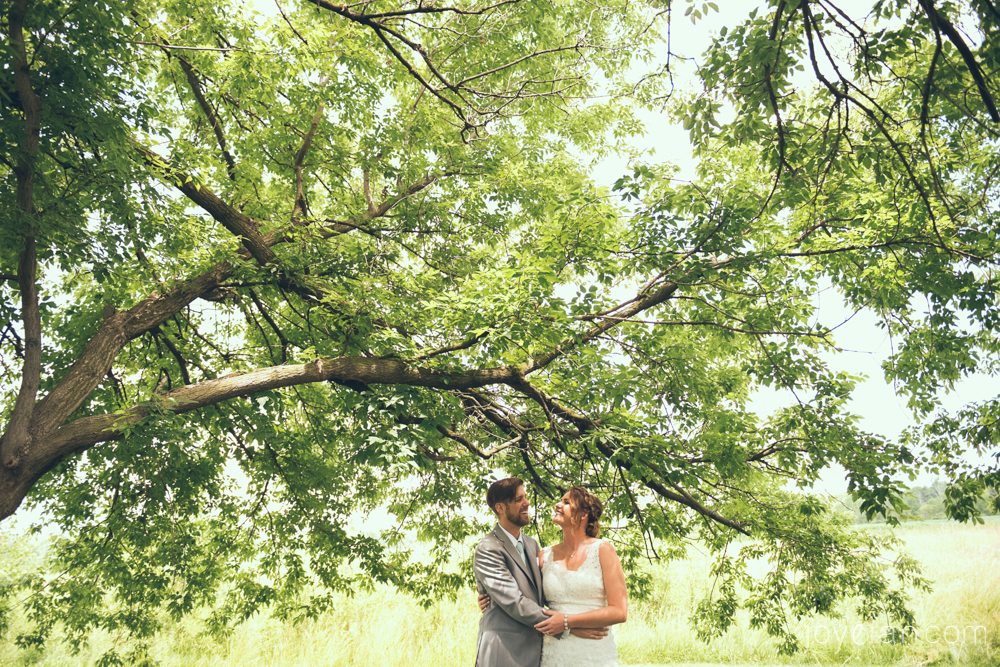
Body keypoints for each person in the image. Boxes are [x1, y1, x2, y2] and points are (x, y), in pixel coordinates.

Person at [478, 485, 627, 667]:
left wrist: (567, 622)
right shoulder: (544, 555)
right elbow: (520, 595)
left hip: (594, 649)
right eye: (519, 499)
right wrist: (489, 597)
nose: (557, 504)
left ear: (583, 514)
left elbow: (620, 611)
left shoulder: (602, 550)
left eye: (566, 502)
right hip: (554, 650)